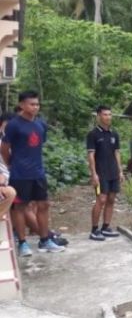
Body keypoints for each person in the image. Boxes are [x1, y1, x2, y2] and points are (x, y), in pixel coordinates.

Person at [1, 90, 65, 256]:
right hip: (20, 174)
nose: (35, 107)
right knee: (20, 207)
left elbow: (38, 144)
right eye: (32, 104)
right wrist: (10, 163)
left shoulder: (40, 124)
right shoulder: (14, 125)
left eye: (37, 104)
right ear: (22, 105)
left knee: (44, 205)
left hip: (38, 172)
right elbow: (4, 148)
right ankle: (22, 244)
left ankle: (45, 240)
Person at [87, 105, 124, 241]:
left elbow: (117, 153)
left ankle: (106, 227)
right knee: (101, 199)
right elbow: (91, 155)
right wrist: (93, 174)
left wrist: (120, 171)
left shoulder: (114, 134)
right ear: (98, 116)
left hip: (113, 172)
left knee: (111, 199)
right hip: (101, 173)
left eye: (109, 114)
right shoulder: (93, 134)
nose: (108, 117)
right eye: (105, 114)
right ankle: (94, 230)